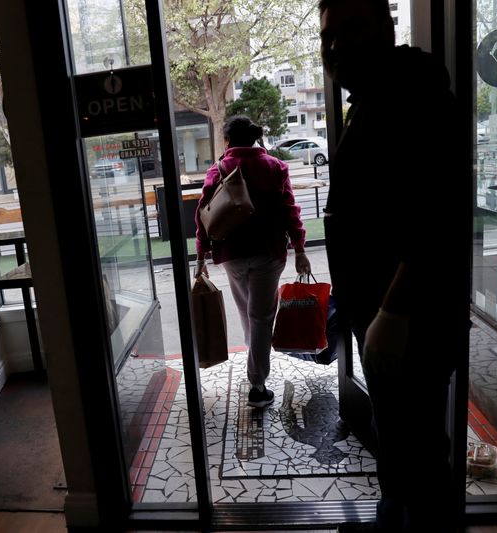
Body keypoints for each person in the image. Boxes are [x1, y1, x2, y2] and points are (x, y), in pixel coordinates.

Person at [319, 0, 470, 531]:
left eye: (351, 28)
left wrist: (393, 310)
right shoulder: (373, 98)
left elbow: (438, 211)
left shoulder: (415, 95)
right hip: (384, 312)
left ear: (387, 26)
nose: (335, 44)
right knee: (399, 435)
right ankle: (392, 521)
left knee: (422, 452)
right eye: (329, 34)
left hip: (413, 317)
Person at [195, 115, 311, 408]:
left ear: (228, 140)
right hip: (268, 253)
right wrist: (299, 249)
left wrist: (200, 256)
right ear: (253, 138)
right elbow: (290, 211)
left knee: (249, 313)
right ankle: (257, 387)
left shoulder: (219, 168)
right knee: (260, 317)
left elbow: (203, 215)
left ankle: (254, 361)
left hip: (231, 254)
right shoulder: (274, 167)